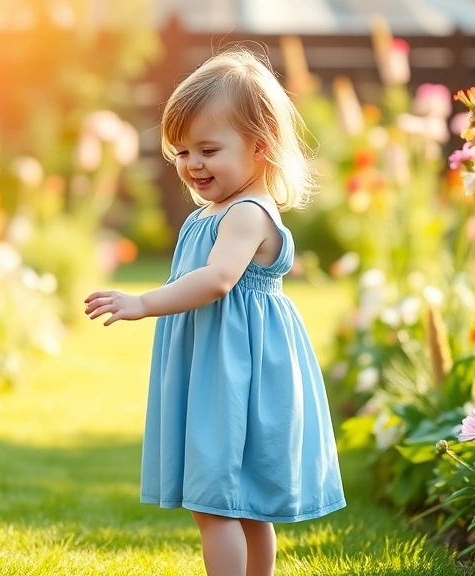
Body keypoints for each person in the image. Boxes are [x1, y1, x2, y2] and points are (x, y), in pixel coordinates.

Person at [84, 47, 345, 576]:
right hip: (220, 362)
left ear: (262, 146)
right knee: (237, 500)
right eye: (180, 152)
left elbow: (218, 280)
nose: (192, 164)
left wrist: (143, 302)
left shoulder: (248, 213)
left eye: (207, 149)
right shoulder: (216, 211)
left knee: (216, 500)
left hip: (236, 371)